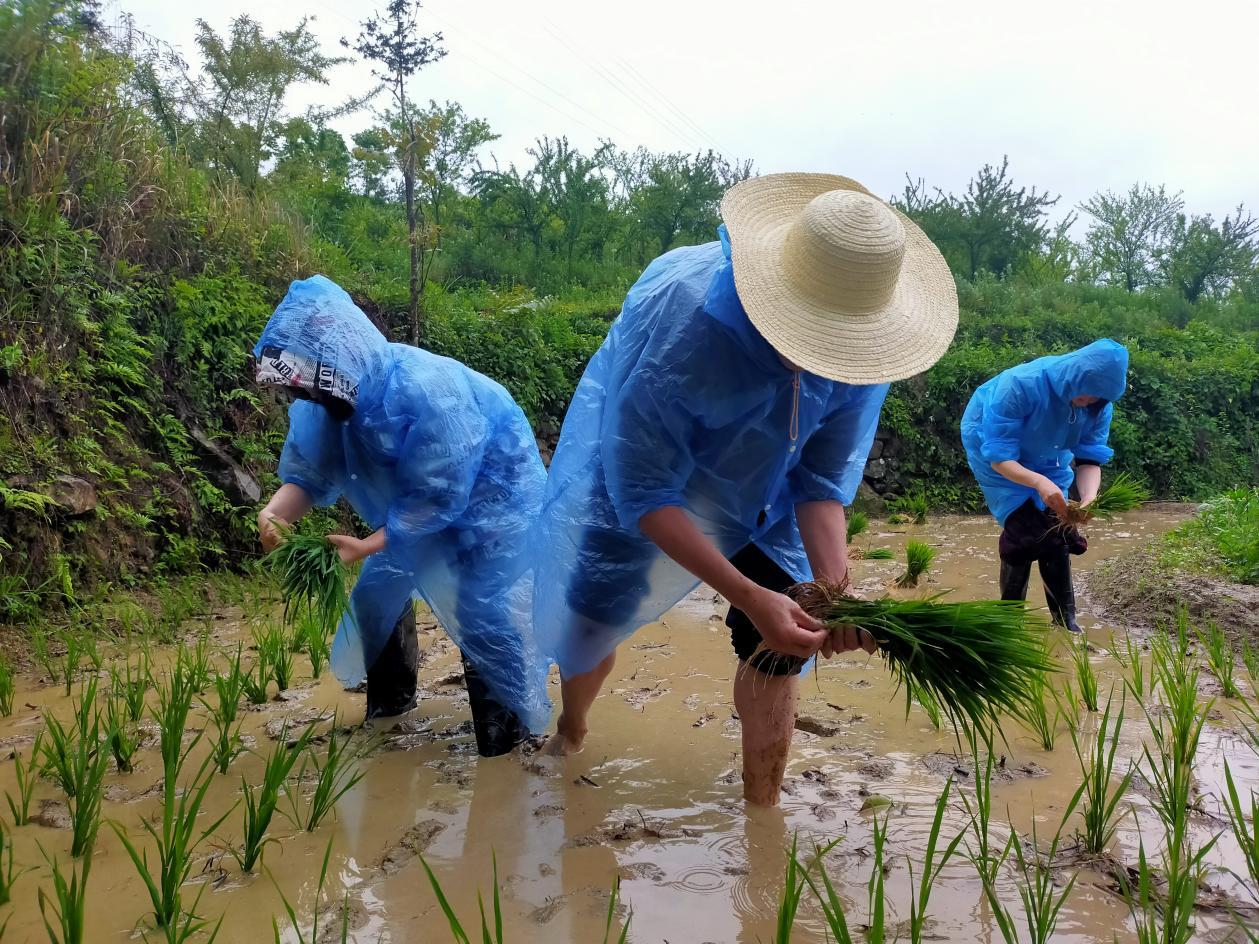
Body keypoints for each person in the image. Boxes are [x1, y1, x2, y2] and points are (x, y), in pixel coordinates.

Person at [533, 173, 960, 805]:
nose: (821, 358)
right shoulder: (681, 323)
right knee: (592, 620)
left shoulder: (862, 344)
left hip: (770, 487)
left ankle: (764, 811)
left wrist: (836, 596)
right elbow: (645, 490)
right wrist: (746, 593)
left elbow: (818, 479)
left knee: (781, 646)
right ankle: (571, 729)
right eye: (810, 338)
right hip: (651, 475)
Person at [253, 275, 551, 756]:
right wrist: (274, 514)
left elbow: (440, 492)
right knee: (376, 598)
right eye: (303, 388)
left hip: (492, 500)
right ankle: (390, 709)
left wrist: (368, 544)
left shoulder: (430, 391)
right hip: (411, 512)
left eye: (315, 383)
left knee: (481, 609)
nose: (310, 397)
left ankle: (507, 737)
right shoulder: (323, 406)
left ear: (344, 360)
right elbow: (309, 473)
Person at [960, 339, 1129, 633]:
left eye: (1097, 398)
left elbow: (1089, 460)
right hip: (995, 451)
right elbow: (1000, 457)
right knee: (1023, 531)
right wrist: (1038, 482)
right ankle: (1009, 621)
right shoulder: (1019, 385)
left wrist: (1088, 499)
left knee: (1056, 532)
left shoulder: (1099, 407)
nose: (1089, 400)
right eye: (1086, 391)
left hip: (1050, 455)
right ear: (1073, 375)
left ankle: (1066, 622)